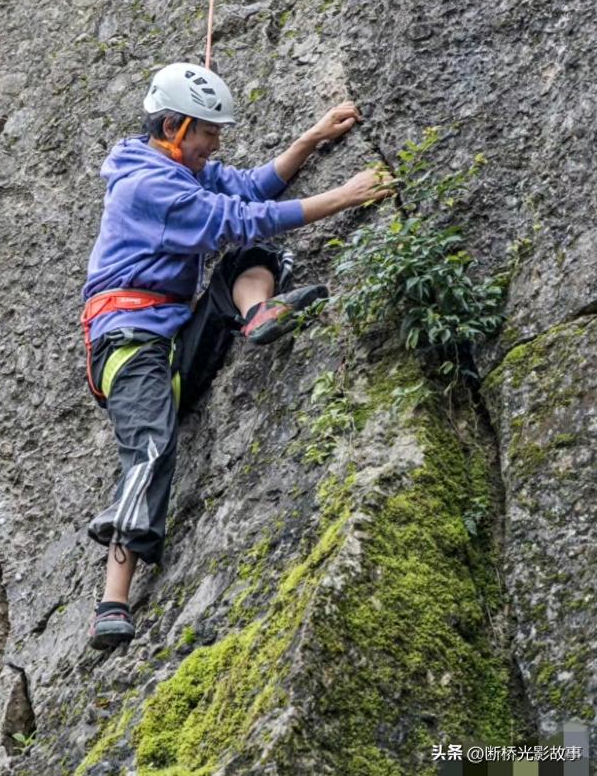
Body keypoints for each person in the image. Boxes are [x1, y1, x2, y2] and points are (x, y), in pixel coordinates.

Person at [81, 61, 393, 649]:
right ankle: (111, 604)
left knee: (252, 251)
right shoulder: (148, 185)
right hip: (128, 342)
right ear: (174, 126)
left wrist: (310, 140)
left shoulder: (182, 168)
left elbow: (248, 189)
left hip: (172, 340)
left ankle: (258, 315)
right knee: (149, 444)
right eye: (207, 132)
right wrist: (343, 197)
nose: (214, 144)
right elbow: (235, 215)